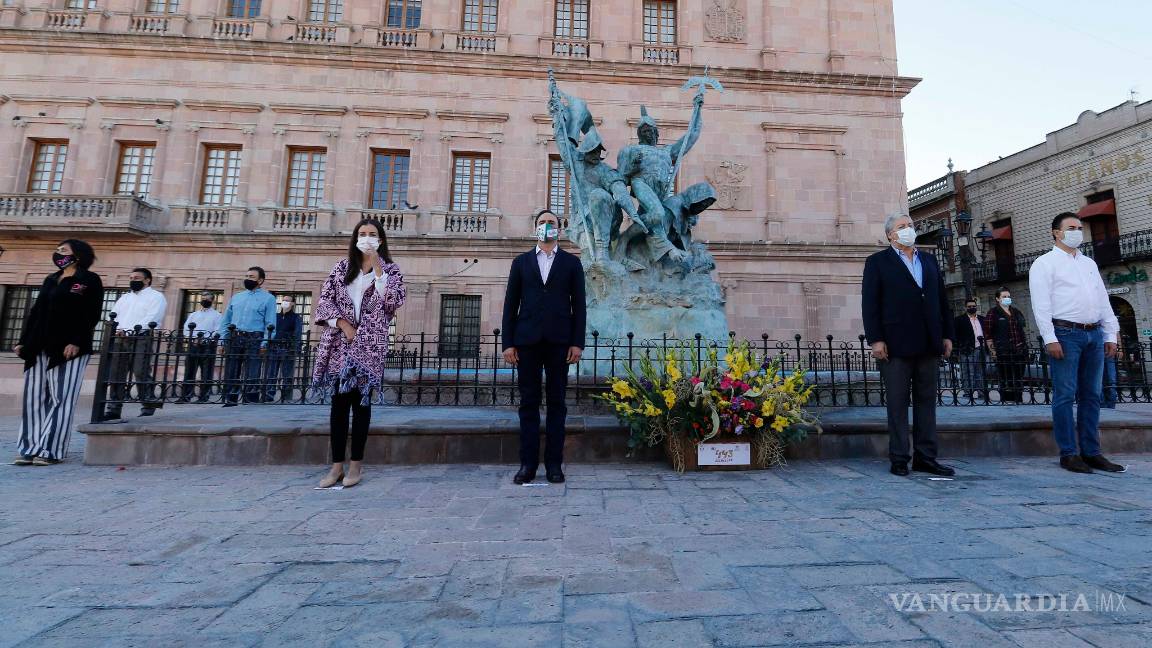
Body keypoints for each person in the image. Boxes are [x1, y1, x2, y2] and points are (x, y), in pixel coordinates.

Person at [1028, 212, 1126, 474]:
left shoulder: (1089, 264)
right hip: (1065, 334)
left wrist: (1109, 333)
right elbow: (1041, 305)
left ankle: (1092, 452)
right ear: (1056, 232)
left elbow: (1103, 300)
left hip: (1094, 333)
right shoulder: (1044, 264)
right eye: (1071, 227)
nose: (1077, 231)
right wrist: (1050, 338)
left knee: (1092, 394)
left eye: (1080, 227)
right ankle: (1069, 453)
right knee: (1065, 395)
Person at [312, 219, 406, 488]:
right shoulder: (342, 268)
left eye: (372, 235)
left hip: (370, 346)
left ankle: (356, 465)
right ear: (355, 238)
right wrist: (343, 324)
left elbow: (393, 301)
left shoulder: (390, 270)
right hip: (340, 343)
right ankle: (336, 466)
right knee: (339, 407)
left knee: (361, 406)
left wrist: (378, 267)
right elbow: (325, 301)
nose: (367, 238)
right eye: (362, 234)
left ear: (381, 240)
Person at [862, 214, 955, 477]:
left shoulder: (928, 260)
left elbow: (941, 300)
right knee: (898, 403)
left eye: (911, 225)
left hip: (928, 341)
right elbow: (870, 305)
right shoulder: (878, 262)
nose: (908, 230)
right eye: (902, 227)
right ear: (890, 234)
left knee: (927, 402)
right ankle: (900, 457)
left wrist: (947, 334)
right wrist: (876, 339)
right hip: (895, 345)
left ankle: (926, 457)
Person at [501, 209, 587, 485]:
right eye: (542, 223)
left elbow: (580, 306)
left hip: (560, 342)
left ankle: (554, 464)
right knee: (528, 404)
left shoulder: (572, 264)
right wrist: (508, 343)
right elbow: (510, 304)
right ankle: (527, 464)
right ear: (535, 228)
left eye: (551, 223)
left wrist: (577, 342)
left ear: (559, 229)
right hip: (527, 341)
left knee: (557, 404)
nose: (547, 226)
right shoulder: (521, 262)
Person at [13, 240, 104, 465]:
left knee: (60, 399)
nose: (58, 253)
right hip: (38, 345)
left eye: (63, 250)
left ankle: (50, 450)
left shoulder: (89, 280)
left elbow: (91, 315)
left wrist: (77, 341)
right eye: (57, 250)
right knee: (33, 398)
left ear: (78, 255)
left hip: (68, 348)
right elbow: (36, 312)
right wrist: (23, 341)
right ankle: (29, 447)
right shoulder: (51, 279)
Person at [101, 268, 167, 420]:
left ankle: (148, 404)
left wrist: (131, 331)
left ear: (147, 280)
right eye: (131, 277)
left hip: (142, 337)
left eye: (137, 277)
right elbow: (114, 315)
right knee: (117, 373)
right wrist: (117, 330)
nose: (133, 280)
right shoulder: (125, 298)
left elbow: (153, 317)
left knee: (140, 370)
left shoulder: (156, 297)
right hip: (120, 338)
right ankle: (114, 408)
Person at [217, 267, 277, 407]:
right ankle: (230, 399)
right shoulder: (237, 297)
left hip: (255, 337)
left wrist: (264, 343)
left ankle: (250, 399)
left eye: (251, 276)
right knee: (232, 368)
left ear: (260, 280)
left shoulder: (268, 298)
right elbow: (226, 320)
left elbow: (270, 323)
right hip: (236, 336)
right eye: (247, 275)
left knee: (253, 370)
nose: (248, 279)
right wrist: (222, 340)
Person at [985, 287, 1029, 404]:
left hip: (1019, 350)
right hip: (1003, 351)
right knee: (1006, 378)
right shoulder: (993, 313)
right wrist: (993, 352)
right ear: (997, 299)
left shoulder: (1016, 312)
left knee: (1018, 378)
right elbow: (988, 335)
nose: (1007, 298)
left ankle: (1018, 400)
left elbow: (1022, 329)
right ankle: (1007, 401)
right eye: (1004, 297)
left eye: (1008, 296)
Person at [176, 293, 223, 404]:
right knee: (189, 371)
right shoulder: (194, 315)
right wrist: (193, 338)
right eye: (202, 299)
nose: (204, 301)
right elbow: (186, 328)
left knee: (206, 372)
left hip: (208, 346)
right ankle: (186, 395)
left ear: (212, 300)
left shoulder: (217, 315)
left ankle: (203, 396)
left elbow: (217, 331)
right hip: (194, 345)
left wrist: (205, 339)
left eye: (207, 299)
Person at [264, 294, 303, 402]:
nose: (285, 302)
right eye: (283, 300)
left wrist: (295, 347)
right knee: (271, 373)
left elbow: (297, 333)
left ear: (293, 304)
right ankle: (269, 395)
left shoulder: (296, 317)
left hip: (287, 348)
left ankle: (286, 396)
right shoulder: (275, 316)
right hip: (274, 347)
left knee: (287, 374)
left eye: (287, 301)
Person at [952, 297, 989, 399]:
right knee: (967, 372)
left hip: (981, 349)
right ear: (965, 308)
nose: (972, 308)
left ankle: (982, 392)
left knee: (981, 372)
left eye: (973, 306)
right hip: (967, 350)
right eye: (969, 306)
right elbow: (955, 335)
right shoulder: (959, 320)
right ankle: (968, 393)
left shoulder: (982, 319)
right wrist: (958, 348)